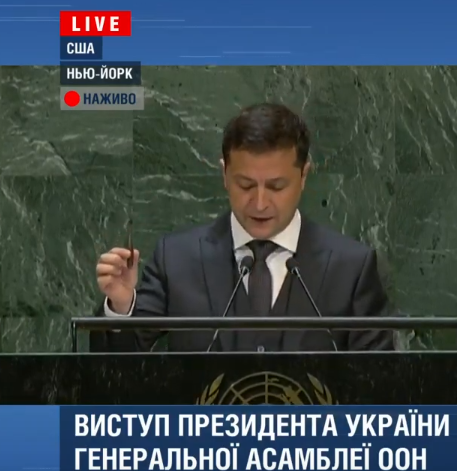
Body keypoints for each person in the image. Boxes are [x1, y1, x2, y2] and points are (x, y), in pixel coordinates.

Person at [93, 103, 393, 353]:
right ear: (224, 174)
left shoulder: (351, 267)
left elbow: (379, 383)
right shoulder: (176, 259)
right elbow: (118, 369)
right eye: (245, 185)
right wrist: (121, 306)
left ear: (303, 176)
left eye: (276, 187)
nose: (259, 203)